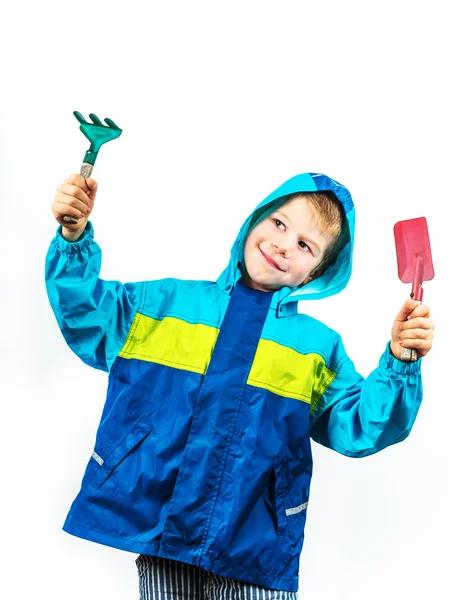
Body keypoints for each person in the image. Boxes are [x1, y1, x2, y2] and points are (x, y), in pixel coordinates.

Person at [45, 172, 434, 599]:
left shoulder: (316, 348)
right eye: (279, 224)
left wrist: (400, 362)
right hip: (163, 527)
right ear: (255, 221)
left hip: (256, 540)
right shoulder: (163, 305)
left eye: (305, 246)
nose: (284, 244)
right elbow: (88, 314)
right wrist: (74, 236)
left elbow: (358, 426)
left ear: (315, 274)